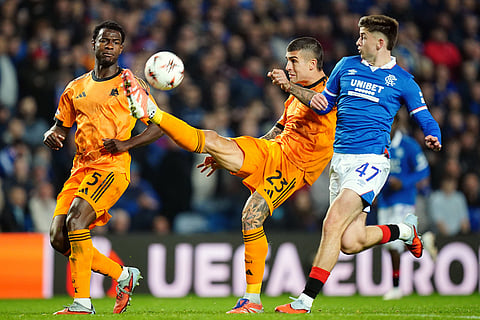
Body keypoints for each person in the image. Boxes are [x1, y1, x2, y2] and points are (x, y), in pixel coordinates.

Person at [123, 37, 337, 313]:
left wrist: (288, 85)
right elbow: (278, 131)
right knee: (214, 140)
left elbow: (322, 105)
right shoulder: (296, 95)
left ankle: (252, 299)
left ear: (312, 63)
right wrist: (232, 156)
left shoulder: (329, 90)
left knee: (251, 217)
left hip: (295, 167)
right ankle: (153, 112)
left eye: (293, 61)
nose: (288, 66)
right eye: (287, 60)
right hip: (272, 150)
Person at [274, 15, 442, 313]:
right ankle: (405, 232)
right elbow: (322, 103)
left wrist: (432, 134)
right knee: (350, 242)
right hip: (340, 162)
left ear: (380, 42)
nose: (357, 41)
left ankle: (305, 300)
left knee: (332, 222)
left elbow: (424, 115)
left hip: (372, 161)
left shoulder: (402, 80)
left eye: (362, 37)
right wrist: (290, 87)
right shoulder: (345, 66)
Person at [43, 20, 163, 315]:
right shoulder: (75, 87)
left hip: (112, 167)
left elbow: (159, 126)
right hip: (80, 168)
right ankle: (123, 275)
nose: (108, 46)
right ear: (93, 44)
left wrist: (125, 145)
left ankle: (82, 303)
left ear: (121, 48)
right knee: (59, 238)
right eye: (103, 41)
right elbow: (60, 126)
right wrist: (54, 134)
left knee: (75, 222)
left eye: (114, 42)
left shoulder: (129, 83)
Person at [376, 113, 431, 300]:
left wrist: (404, 181)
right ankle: (423, 242)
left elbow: (424, 170)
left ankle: (396, 288)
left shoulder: (409, 145)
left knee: (394, 245)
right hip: (385, 201)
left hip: (404, 200)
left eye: (391, 122)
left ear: (398, 123)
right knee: (391, 245)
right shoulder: (378, 144)